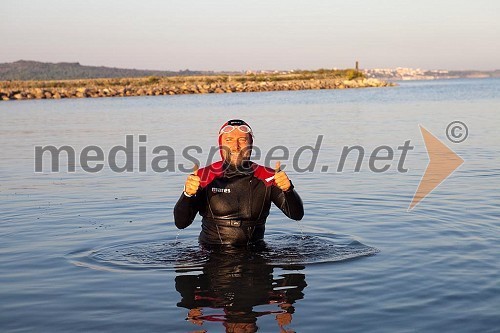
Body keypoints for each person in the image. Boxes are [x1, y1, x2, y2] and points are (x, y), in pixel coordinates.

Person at [174, 119, 304, 246]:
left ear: (250, 144)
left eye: (242, 140)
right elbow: (181, 223)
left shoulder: (268, 177)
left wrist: (289, 190)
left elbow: (296, 215)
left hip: (256, 254)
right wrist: (187, 195)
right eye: (229, 140)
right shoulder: (204, 176)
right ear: (220, 145)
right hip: (212, 254)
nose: (236, 147)